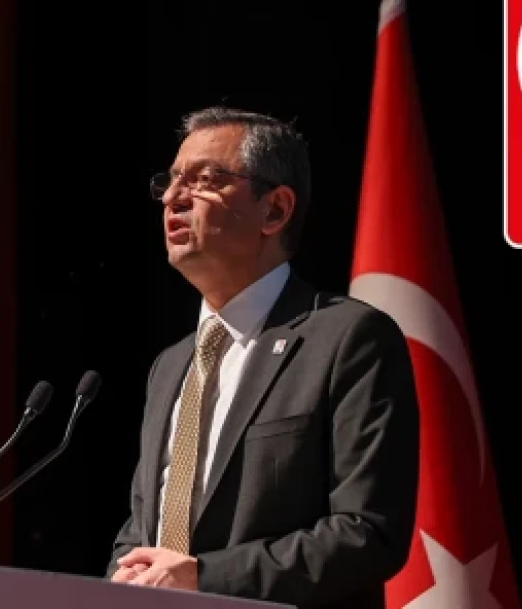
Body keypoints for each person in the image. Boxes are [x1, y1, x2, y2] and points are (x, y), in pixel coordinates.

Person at [107, 107, 419, 609]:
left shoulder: (348, 339)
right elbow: (143, 527)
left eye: (204, 180)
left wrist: (204, 578)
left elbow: (367, 532)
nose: (172, 198)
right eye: (171, 180)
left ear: (274, 211)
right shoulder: (170, 365)